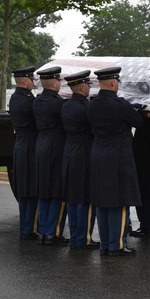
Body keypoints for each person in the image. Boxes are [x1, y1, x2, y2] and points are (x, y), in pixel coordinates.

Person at [87, 66, 143, 257]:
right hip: (117, 157)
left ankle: (105, 244)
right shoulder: (120, 105)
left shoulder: (92, 104)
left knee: (102, 201)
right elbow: (139, 122)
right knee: (120, 201)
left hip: (97, 155)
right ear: (113, 83)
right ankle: (117, 245)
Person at [61, 70, 98, 250]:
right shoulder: (87, 107)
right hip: (84, 154)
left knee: (72, 197)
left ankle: (76, 237)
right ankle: (84, 239)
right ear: (83, 87)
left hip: (69, 153)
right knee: (85, 198)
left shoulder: (66, 106)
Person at [32, 65, 68, 245]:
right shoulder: (58, 104)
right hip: (55, 147)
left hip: (41, 145)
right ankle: (51, 233)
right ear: (54, 83)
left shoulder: (37, 101)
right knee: (55, 191)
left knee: (43, 189)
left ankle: (42, 231)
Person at [9, 67, 40, 240]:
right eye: (31, 79)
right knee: (30, 188)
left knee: (24, 188)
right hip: (30, 145)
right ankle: (29, 228)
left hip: (20, 144)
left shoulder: (15, 98)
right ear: (26, 81)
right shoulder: (28, 100)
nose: (33, 82)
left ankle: (26, 227)